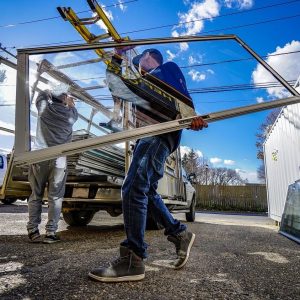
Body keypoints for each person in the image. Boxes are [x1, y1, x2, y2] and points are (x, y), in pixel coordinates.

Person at [89, 48, 207, 282]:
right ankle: (179, 233)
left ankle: (133, 258)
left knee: (132, 188)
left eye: (142, 59)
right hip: (147, 138)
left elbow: (181, 95)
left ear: (150, 57)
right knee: (147, 191)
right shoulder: (139, 85)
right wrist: (116, 58)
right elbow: (114, 83)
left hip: (159, 135)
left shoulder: (165, 70)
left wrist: (192, 116)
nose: (140, 64)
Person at [27, 89, 78, 243]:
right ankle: (50, 233)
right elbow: (73, 109)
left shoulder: (44, 109)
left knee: (36, 194)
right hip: (59, 160)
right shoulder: (70, 115)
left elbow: (41, 94)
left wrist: (51, 92)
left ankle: (33, 230)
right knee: (55, 197)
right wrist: (69, 103)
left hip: (40, 156)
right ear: (64, 100)